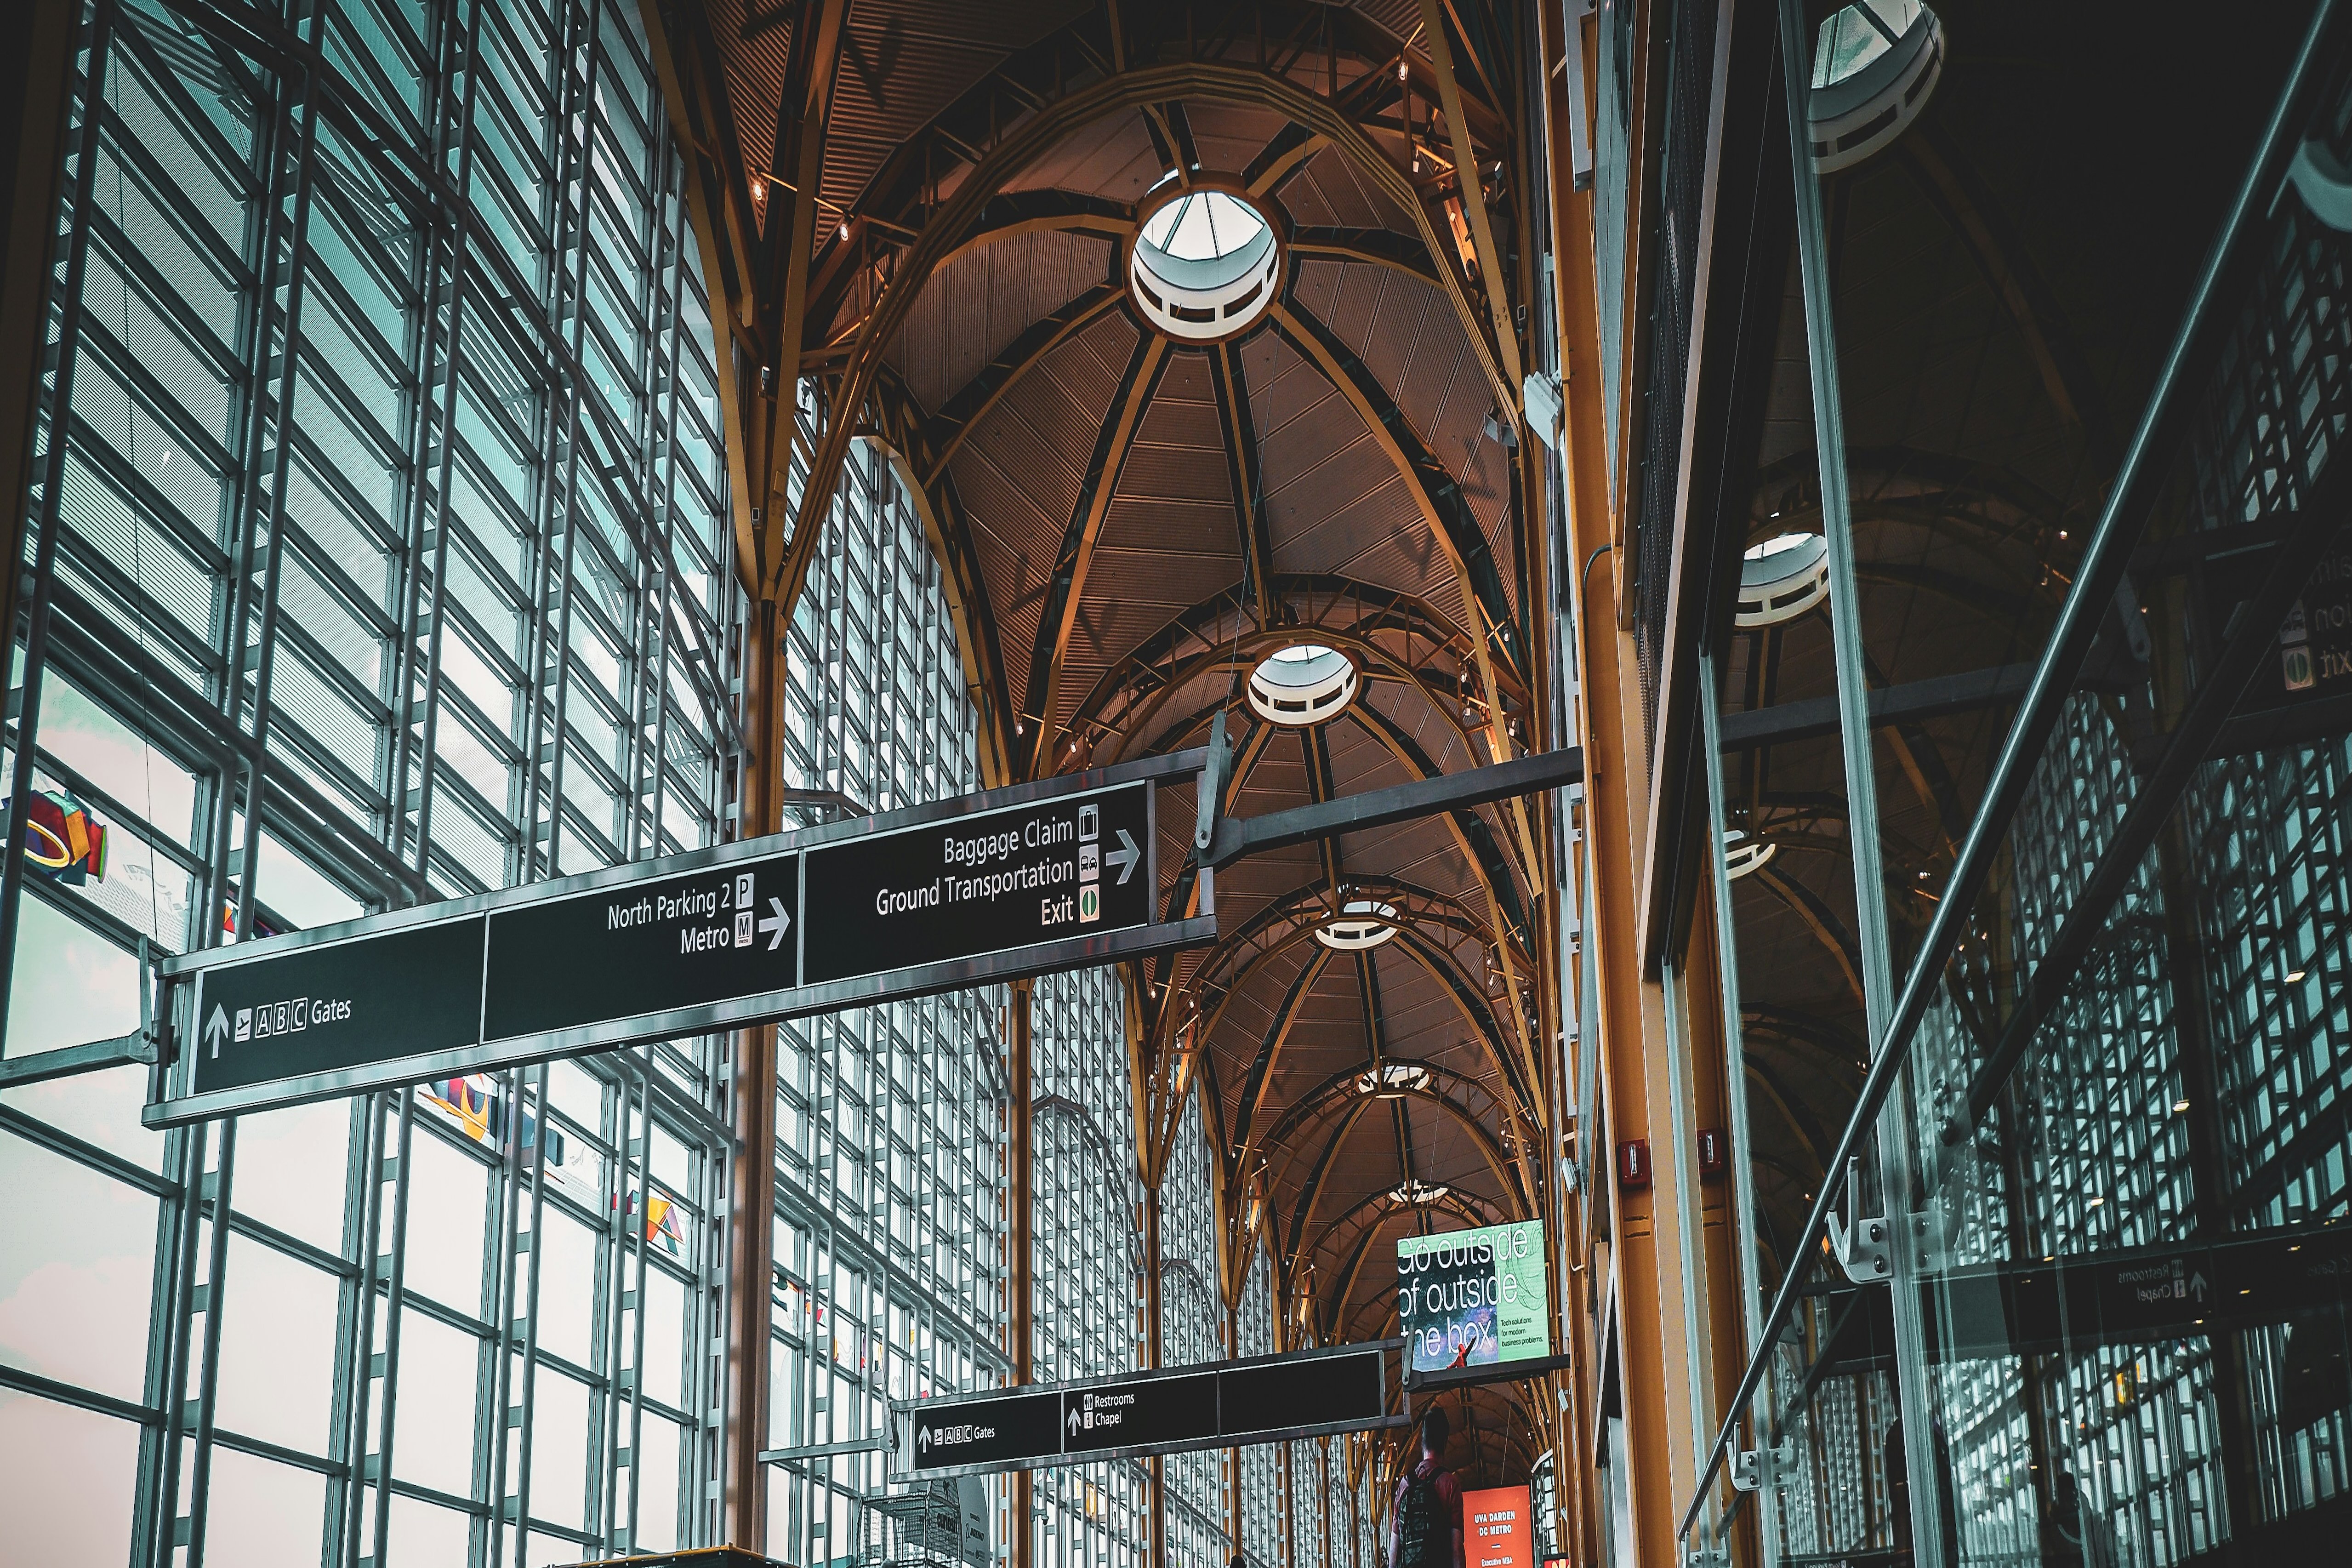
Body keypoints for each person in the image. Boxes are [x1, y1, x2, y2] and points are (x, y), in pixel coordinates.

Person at [1389, 1407, 1464, 1568]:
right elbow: (1456, 1551)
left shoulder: (1404, 1485)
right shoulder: (1450, 1484)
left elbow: (1393, 1554)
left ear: (1422, 1442)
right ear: (1445, 1443)